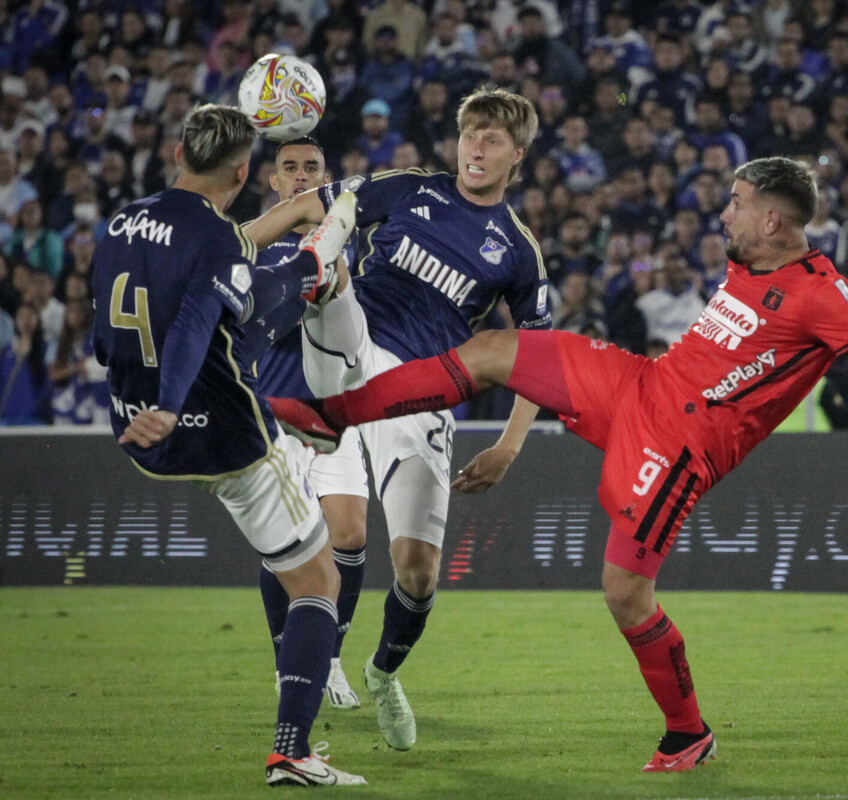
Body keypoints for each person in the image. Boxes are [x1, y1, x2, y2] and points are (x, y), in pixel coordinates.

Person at [275, 157, 848, 771]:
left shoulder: (821, 295)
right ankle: (333, 414)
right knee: (494, 350)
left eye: (737, 203)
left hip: (681, 447)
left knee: (623, 591)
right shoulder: (750, 259)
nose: (723, 212)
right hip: (641, 386)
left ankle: (688, 733)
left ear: (772, 220)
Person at [246, 86, 551, 753]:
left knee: (416, 570)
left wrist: (508, 445)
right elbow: (310, 204)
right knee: (332, 254)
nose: (477, 146)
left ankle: (382, 673)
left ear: (515, 156)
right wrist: (239, 247)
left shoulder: (516, 249)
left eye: (492, 139)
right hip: (351, 350)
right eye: (471, 133)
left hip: (419, 394)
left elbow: (540, 354)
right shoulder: (410, 187)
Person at [90, 104, 365, 786]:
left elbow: (102, 325)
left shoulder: (122, 220)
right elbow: (191, 324)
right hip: (219, 433)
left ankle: (293, 723)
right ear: (245, 171)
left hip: (136, 429)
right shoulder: (216, 238)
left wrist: (137, 399)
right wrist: (169, 404)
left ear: (180, 150)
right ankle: (291, 750)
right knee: (317, 577)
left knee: (265, 299)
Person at [250, 137, 369, 712]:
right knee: (292, 548)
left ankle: (330, 659)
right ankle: (288, 665)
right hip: (275, 418)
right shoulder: (250, 247)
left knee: (349, 534)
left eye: (312, 169)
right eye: (289, 169)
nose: (300, 177)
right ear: (274, 182)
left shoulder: (347, 246)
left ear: (326, 179)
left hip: (334, 414)